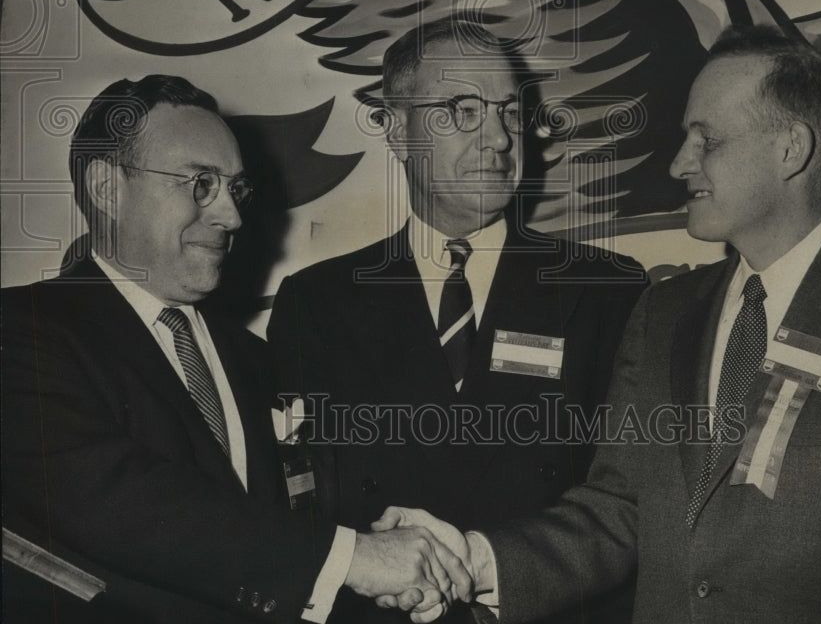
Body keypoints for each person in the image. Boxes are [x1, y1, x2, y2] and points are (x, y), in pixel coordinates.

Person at [382, 26, 821, 624]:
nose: (678, 164)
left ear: (790, 149)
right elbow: (619, 509)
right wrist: (473, 557)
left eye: (707, 140)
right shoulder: (665, 312)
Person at [1, 75, 470, 624]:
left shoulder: (252, 357)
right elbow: (120, 503)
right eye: (201, 183)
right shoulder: (22, 331)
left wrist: (396, 538)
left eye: (235, 188)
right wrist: (353, 558)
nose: (232, 216)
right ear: (107, 188)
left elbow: (296, 509)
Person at [268, 16, 645, 623]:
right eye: (462, 110)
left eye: (509, 111)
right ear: (397, 131)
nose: (498, 138)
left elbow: (629, 502)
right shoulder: (316, 301)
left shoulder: (608, 291)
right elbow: (300, 492)